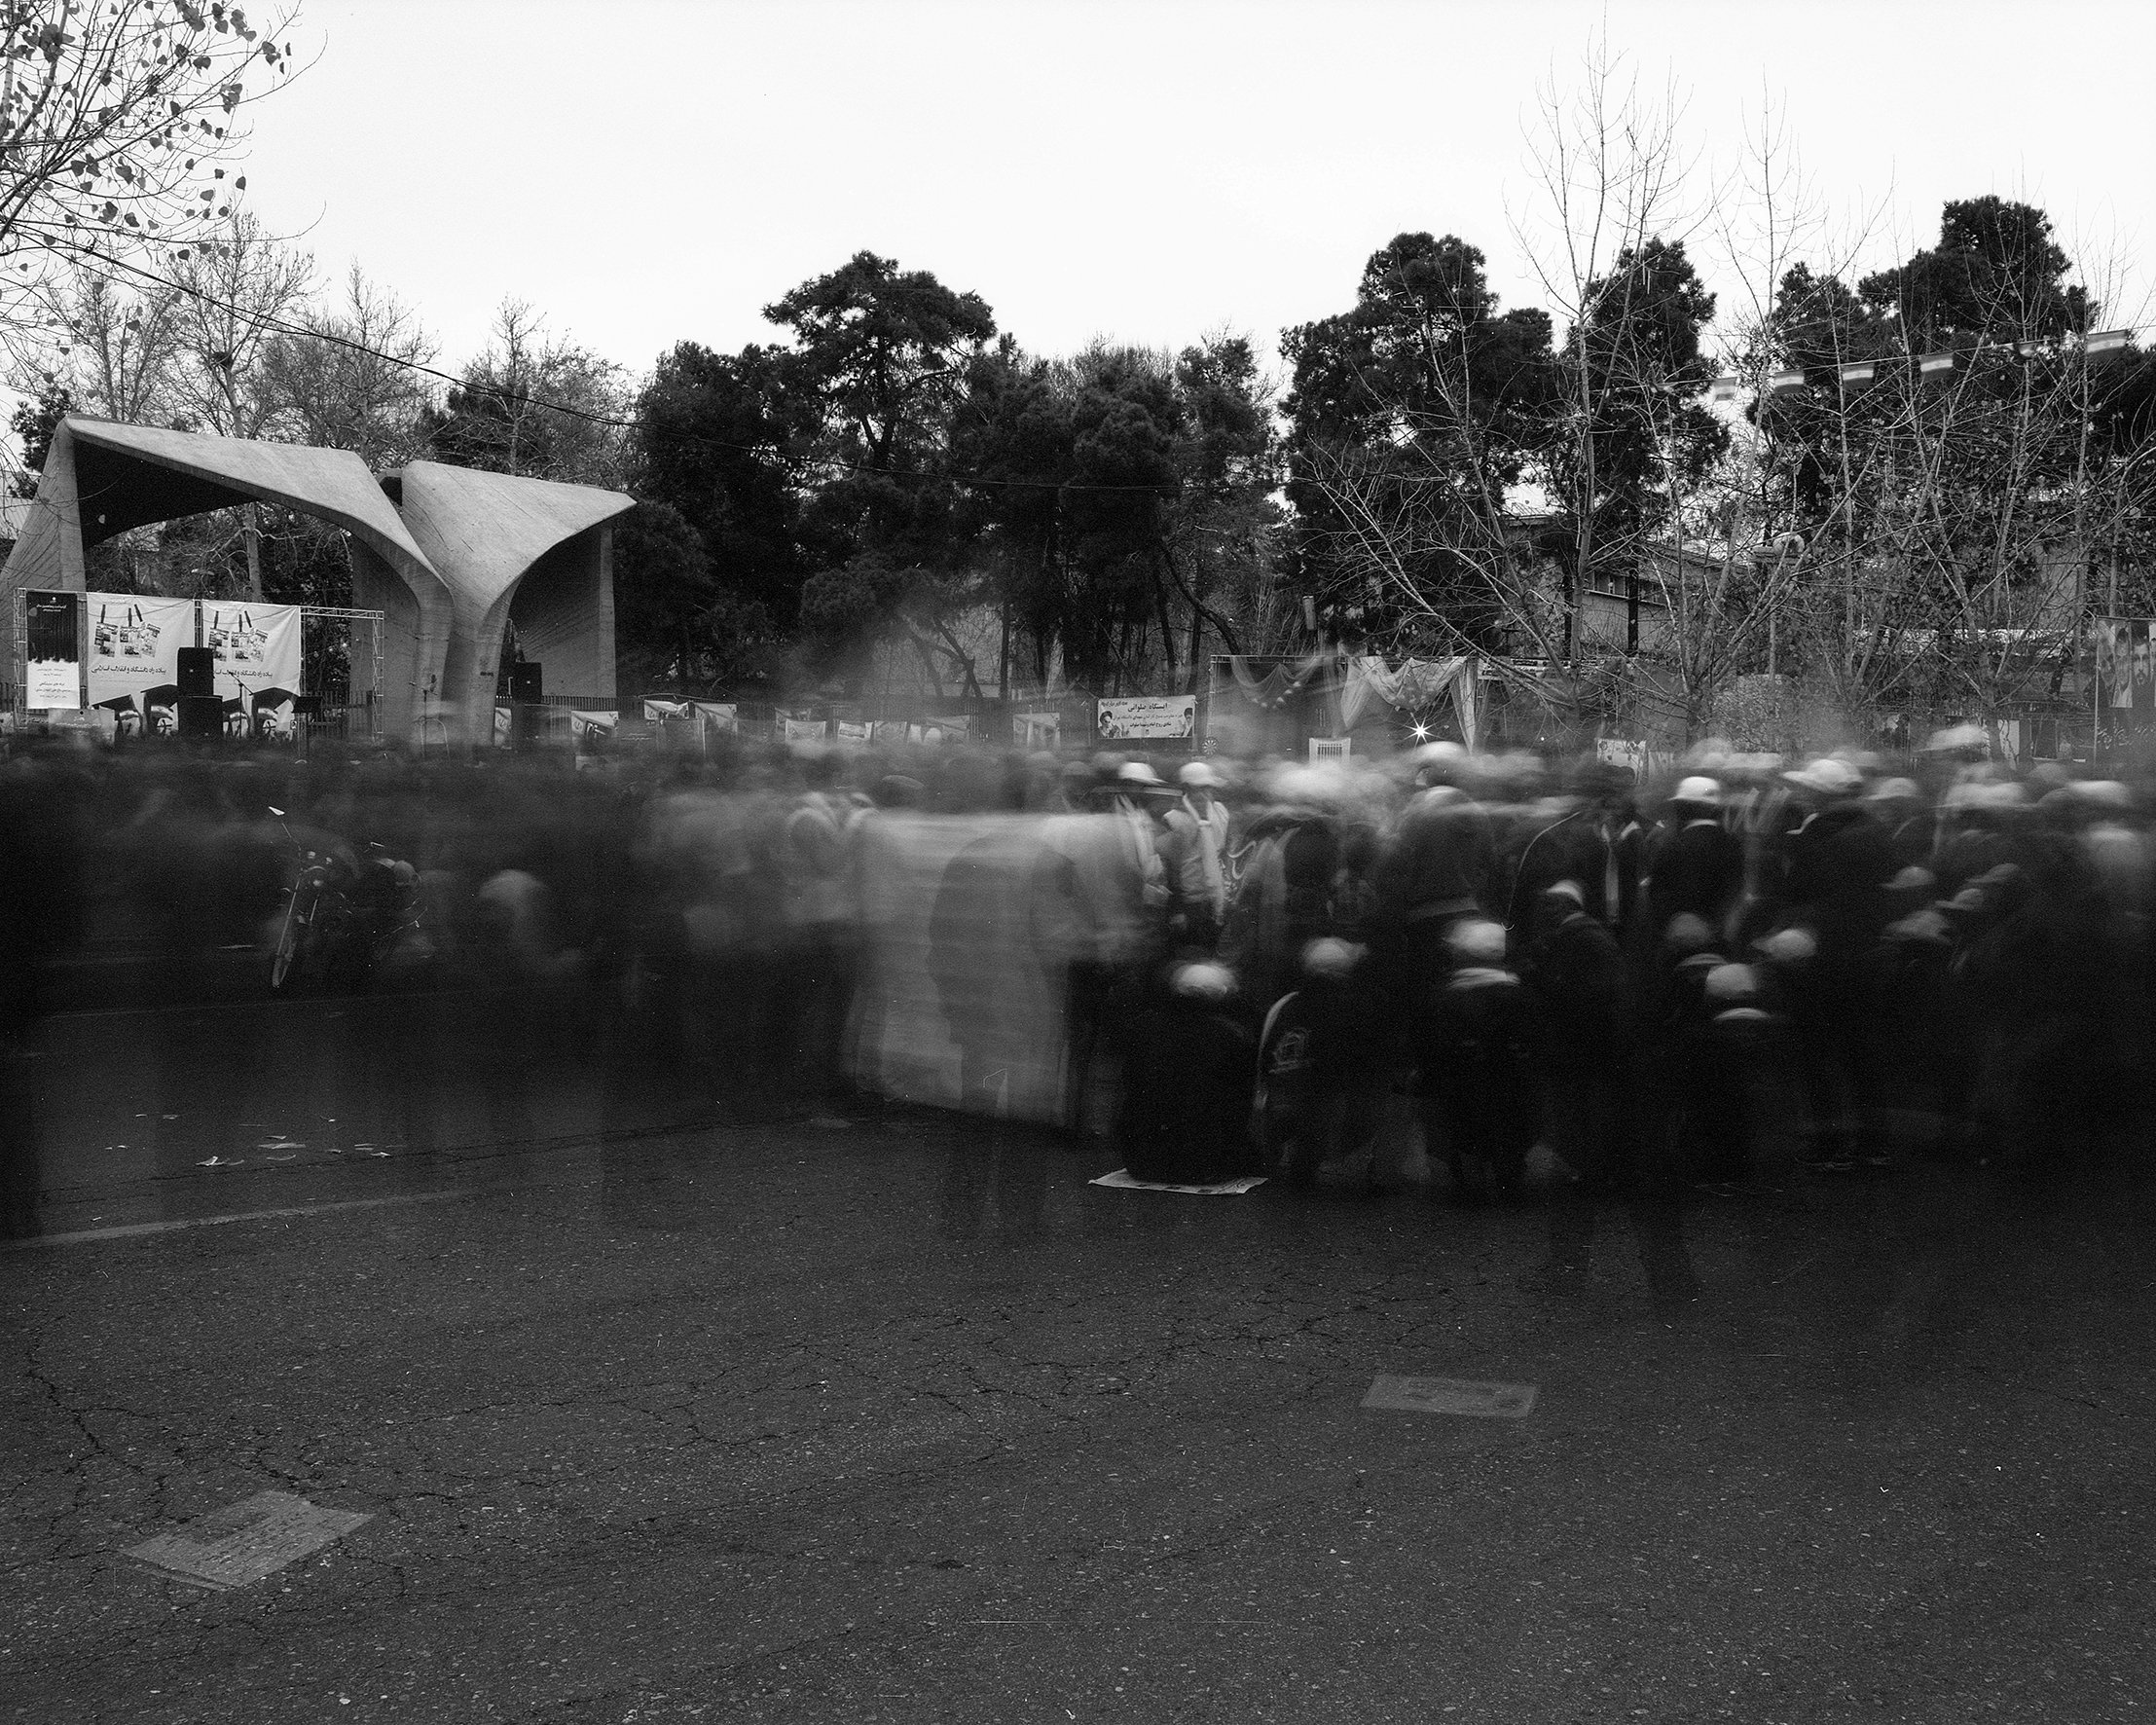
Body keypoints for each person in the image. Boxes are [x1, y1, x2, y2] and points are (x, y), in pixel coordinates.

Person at [1161, 759, 1232, 948]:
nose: (1202, 795)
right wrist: (1177, 909)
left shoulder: (1220, 813)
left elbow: (1226, 854)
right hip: (1189, 903)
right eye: (1196, 789)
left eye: (1207, 789)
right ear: (1185, 790)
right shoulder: (1173, 820)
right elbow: (1171, 868)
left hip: (1216, 900)